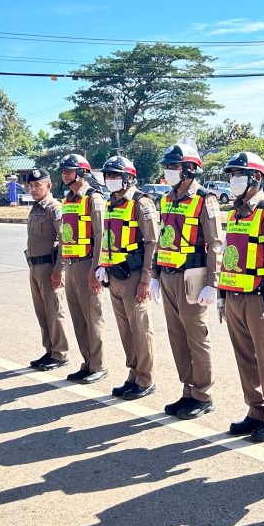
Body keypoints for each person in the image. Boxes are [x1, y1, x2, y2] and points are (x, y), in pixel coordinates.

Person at [218, 151, 264, 442]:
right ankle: (256, 409)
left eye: (239, 174)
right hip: (235, 294)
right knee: (245, 358)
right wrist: (222, 292)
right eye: (232, 174)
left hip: (259, 297)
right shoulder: (234, 212)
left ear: (256, 178)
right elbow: (229, 254)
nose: (233, 179)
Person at [153, 143, 221, 419]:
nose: (168, 171)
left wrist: (213, 282)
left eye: (174, 166)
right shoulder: (166, 199)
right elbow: (161, 238)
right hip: (168, 275)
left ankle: (202, 395)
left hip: (192, 277)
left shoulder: (205, 199)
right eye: (167, 166)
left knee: (196, 337)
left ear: (190, 169)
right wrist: (155, 274)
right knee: (177, 337)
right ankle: (188, 390)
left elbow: (215, 244)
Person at [99, 155, 160, 400]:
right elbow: (108, 237)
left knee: (141, 329)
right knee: (126, 330)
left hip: (134, 276)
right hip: (115, 275)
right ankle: (133, 374)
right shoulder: (111, 203)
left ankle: (146, 379)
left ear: (128, 178)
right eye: (108, 175)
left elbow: (152, 242)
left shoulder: (140, 203)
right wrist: (102, 265)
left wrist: (146, 278)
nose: (110, 179)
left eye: (115, 175)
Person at [58, 153, 109, 384]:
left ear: (82, 172)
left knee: (93, 317)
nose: (65, 174)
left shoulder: (93, 198)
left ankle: (98, 365)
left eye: (69, 170)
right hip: (71, 265)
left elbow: (101, 236)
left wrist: (95, 269)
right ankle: (87, 362)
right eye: (63, 171)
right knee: (79, 319)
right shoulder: (68, 199)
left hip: (88, 263)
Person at [24, 168, 69, 371]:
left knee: (54, 311)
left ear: (49, 186)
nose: (33, 189)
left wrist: (59, 269)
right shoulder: (35, 208)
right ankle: (49, 350)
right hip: (34, 267)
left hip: (49, 268)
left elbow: (64, 241)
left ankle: (60, 354)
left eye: (37, 185)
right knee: (42, 312)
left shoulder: (54, 208)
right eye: (31, 186)